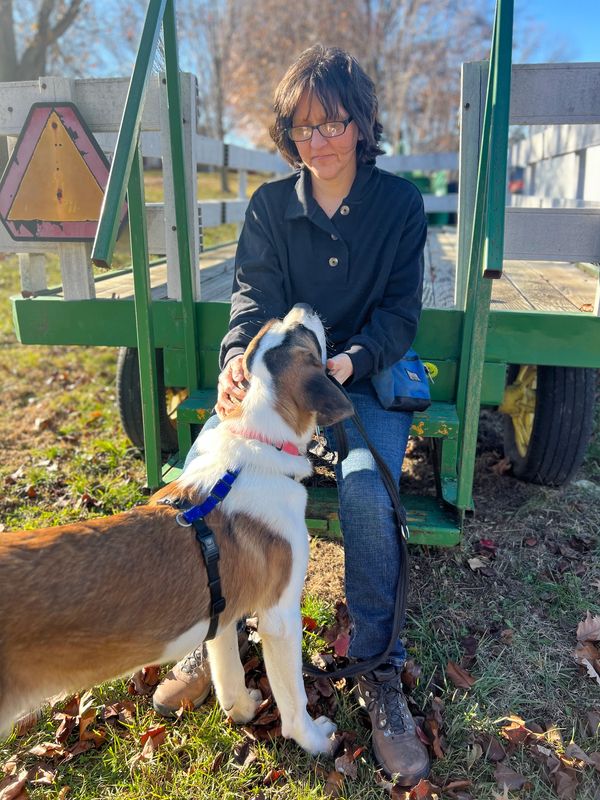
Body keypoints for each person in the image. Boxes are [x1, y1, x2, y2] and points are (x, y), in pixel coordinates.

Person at [153, 44, 429, 785]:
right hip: (276, 385)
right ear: (289, 135)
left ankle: (379, 667)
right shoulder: (270, 206)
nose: (321, 141)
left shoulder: (399, 205)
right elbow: (251, 298)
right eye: (305, 128)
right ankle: (213, 623)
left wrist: (354, 359)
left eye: (335, 123)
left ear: (362, 124)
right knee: (206, 468)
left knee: (369, 488)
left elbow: (402, 313)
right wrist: (238, 355)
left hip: (355, 377)